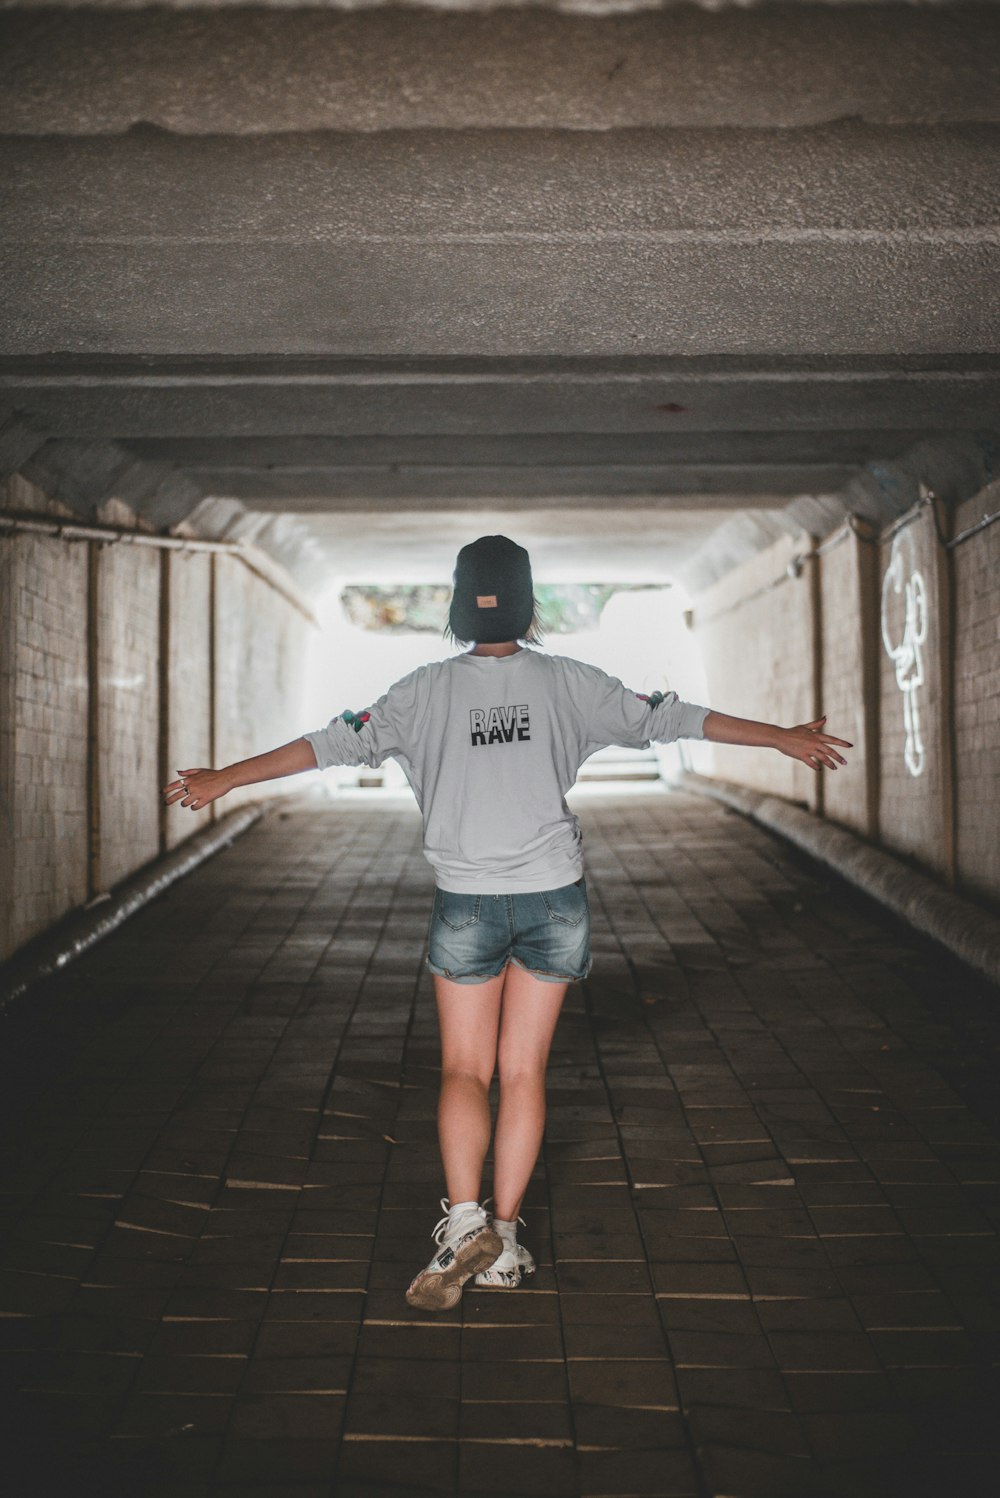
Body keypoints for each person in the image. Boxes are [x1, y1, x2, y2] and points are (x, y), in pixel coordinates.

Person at [162, 535, 851, 1312]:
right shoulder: (570, 682)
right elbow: (673, 719)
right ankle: (507, 1240)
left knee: (465, 1071)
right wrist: (781, 737)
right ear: (529, 605)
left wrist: (224, 779)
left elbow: (323, 744)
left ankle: (465, 1225)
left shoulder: (418, 692)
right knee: (523, 1072)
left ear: (457, 608)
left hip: (467, 902)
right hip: (555, 899)